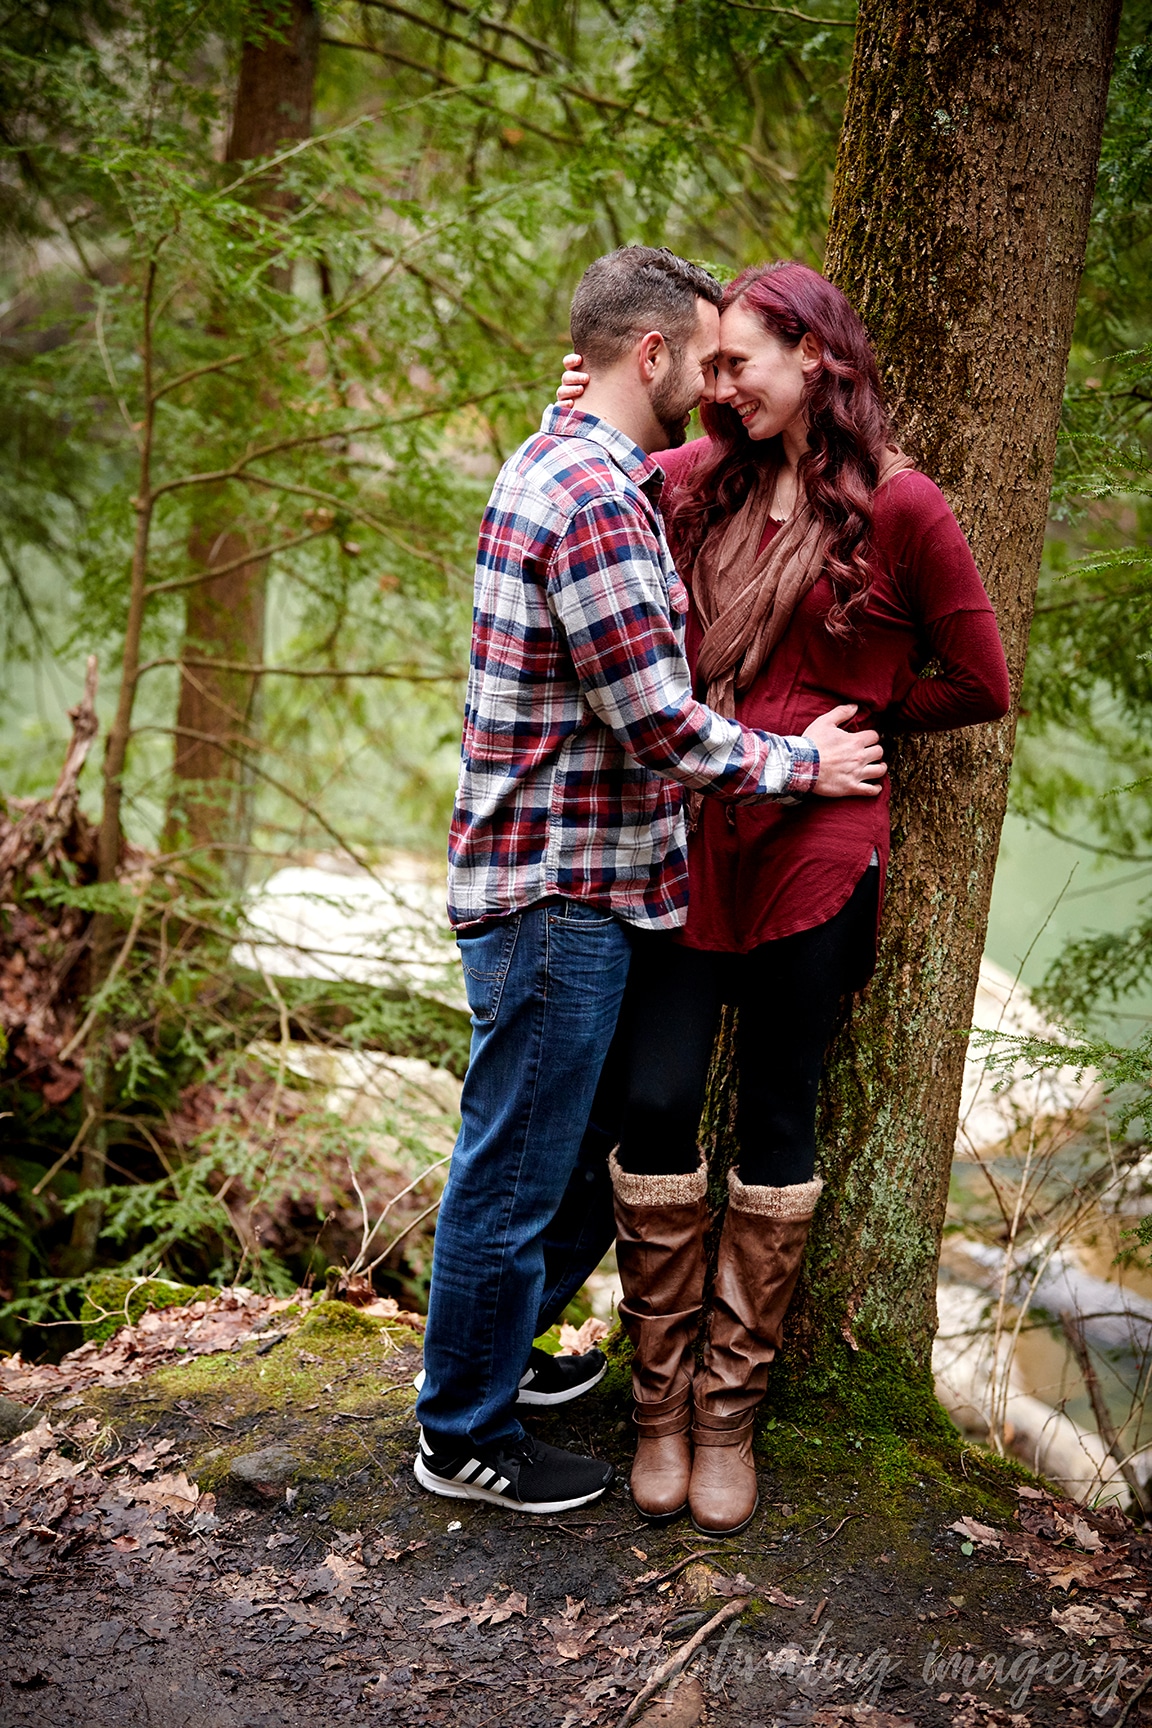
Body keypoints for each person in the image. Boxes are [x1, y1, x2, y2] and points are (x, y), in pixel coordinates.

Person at [413, 247, 887, 1517]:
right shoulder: (598, 500)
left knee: (569, 1158)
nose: (721, 385)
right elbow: (658, 726)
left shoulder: (571, 460)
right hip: (556, 890)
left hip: (580, 887)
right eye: (704, 356)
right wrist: (802, 761)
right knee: (514, 1173)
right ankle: (462, 1431)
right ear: (654, 357)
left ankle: (502, 1370)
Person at [558, 260, 1011, 1535]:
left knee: (776, 1114)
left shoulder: (901, 511)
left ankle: (723, 1419)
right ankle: (653, 1402)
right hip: (692, 834)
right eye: (707, 366)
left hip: (820, 849)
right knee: (654, 1099)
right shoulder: (699, 484)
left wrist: (863, 715)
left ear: (811, 355)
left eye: (737, 362)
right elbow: (584, 481)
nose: (718, 384)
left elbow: (979, 677)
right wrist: (575, 401)